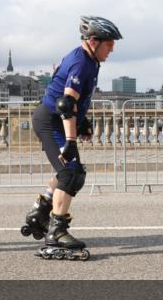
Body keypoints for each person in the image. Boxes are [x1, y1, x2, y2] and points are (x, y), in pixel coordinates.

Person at [23, 15, 121, 260]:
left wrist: (84, 122)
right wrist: (70, 141)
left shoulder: (89, 59)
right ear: (94, 41)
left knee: (75, 173)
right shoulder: (81, 62)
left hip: (56, 119)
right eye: (109, 43)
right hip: (50, 121)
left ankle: (40, 211)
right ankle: (56, 231)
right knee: (69, 174)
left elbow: (76, 99)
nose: (112, 48)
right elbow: (66, 103)